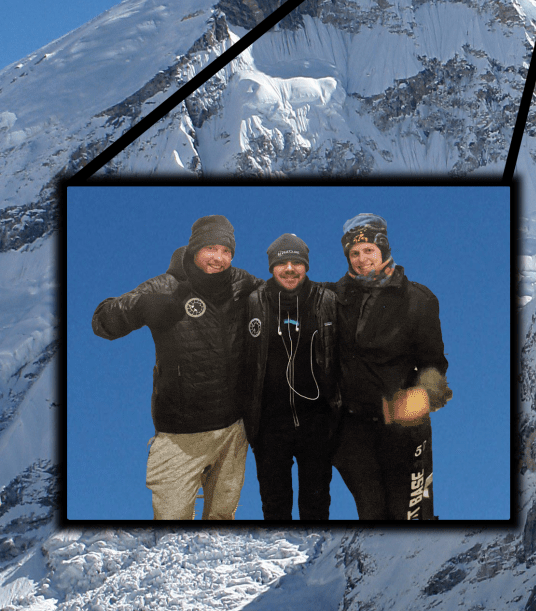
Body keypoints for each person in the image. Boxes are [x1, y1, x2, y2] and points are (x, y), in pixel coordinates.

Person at [91, 215, 257, 520]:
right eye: (211, 249)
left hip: (233, 430)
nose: (219, 258)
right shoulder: (166, 286)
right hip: (180, 435)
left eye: (226, 251)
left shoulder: (241, 283)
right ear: (194, 249)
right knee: (171, 524)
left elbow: (285, 299)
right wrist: (140, 308)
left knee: (221, 519)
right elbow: (102, 321)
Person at [331, 213, 452, 520]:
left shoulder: (417, 299)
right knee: (373, 517)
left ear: (383, 249)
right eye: (354, 253)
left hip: (404, 430)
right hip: (352, 432)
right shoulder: (333, 298)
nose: (361, 260)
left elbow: (434, 364)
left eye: (368, 250)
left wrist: (418, 400)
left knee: (411, 517)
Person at [243, 233, 339, 521]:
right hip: (270, 425)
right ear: (271, 267)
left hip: (317, 422)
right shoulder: (253, 302)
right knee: (274, 507)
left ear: (306, 266)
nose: (289, 269)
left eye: (296, 262)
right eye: (282, 262)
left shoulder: (327, 300)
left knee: (317, 506)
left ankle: (315, 566)